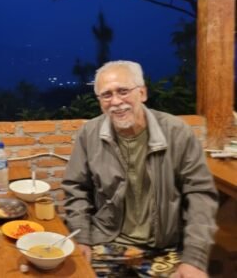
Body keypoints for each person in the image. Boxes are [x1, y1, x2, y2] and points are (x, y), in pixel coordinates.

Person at [62, 61, 218, 278]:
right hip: (106, 240)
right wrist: (81, 238)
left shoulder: (177, 132)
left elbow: (200, 194)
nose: (116, 101)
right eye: (106, 95)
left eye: (123, 91)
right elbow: (76, 188)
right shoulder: (89, 134)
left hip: (165, 245)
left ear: (142, 93)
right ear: (100, 102)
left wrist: (195, 258)